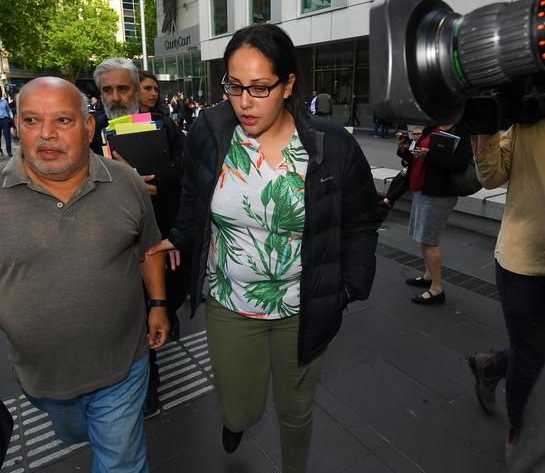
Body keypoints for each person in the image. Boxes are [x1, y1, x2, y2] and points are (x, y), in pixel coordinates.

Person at [148, 24, 381, 472]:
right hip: (230, 302)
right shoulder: (211, 131)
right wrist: (179, 234)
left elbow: (362, 219)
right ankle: (236, 420)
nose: (245, 102)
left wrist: (350, 286)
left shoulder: (329, 145)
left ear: (289, 84)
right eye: (234, 87)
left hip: (304, 304)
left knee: (296, 409)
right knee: (239, 408)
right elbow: (197, 196)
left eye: (259, 88)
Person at [0, 77, 170, 473]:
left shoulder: (127, 183)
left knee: (121, 460)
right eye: (32, 120)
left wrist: (158, 305)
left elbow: (149, 248)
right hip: (43, 383)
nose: (46, 134)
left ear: (88, 127)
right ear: (16, 125)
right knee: (74, 432)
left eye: (63, 120)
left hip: (124, 367)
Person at [92, 59, 189, 418]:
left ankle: (153, 366)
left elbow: (186, 172)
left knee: (159, 302)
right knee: (131, 317)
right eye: (108, 90)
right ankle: (145, 382)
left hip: (156, 241)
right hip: (110, 249)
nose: (116, 97)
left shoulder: (164, 127)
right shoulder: (89, 131)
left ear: (136, 90)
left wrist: (156, 184)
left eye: (123, 88)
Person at [467, 115, 545, 460]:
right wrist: (484, 123)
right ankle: (520, 431)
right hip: (524, 263)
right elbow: (491, 176)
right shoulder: (529, 120)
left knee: (535, 351)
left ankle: (493, 365)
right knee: (531, 356)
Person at [398, 123, 472, 304]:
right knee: (424, 238)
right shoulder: (433, 126)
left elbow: (461, 165)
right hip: (421, 189)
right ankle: (428, 276)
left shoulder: (461, 130)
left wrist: (428, 155)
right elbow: (416, 153)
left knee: (430, 241)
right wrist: (405, 148)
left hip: (439, 193)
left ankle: (437, 289)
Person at [379, 125, 424, 217]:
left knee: (405, 182)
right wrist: (400, 148)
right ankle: (388, 201)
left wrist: (408, 168)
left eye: (418, 134)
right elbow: (405, 160)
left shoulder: (423, 145)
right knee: (395, 181)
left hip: (418, 171)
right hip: (408, 169)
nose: (416, 136)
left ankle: (387, 201)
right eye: (414, 134)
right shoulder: (410, 143)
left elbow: (420, 161)